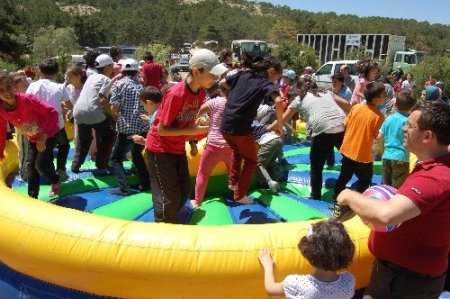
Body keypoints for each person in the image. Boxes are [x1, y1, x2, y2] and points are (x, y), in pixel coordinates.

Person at [337, 101, 450, 299]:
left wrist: (349, 195)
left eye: (410, 125)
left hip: (403, 281)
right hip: (407, 276)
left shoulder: (433, 178)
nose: (404, 128)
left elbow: (386, 215)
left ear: (427, 136)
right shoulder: (437, 166)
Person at [145, 49, 227, 223]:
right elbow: (162, 130)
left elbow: (188, 120)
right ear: (197, 71)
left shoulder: (201, 93)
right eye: (212, 74)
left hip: (177, 147)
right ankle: (164, 227)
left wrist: (193, 141)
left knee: (183, 190)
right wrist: (194, 133)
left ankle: (170, 221)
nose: (216, 78)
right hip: (160, 149)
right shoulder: (176, 93)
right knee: (169, 196)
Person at [220, 54, 284, 204]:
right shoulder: (264, 83)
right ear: (271, 71)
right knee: (251, 161)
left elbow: (223, 82)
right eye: (276, 78)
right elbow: (279, 101)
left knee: (237, 151)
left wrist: (239, 92)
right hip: (241, 128)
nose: (275, 81)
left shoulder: (242, 74)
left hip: (225, 126)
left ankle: (233, 181)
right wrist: (279, 125)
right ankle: (240, 195)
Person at [270, 77, 346, 200]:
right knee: (349, 160)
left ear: (299, 89)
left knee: (316, 167)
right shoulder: (327, 92)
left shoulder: (299, 98)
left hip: (322, 131)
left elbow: (283, 119)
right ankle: (358, 184)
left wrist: (267, 129)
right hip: (341, 127)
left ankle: (315, 195)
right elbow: (347, 104)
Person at [258, 220, 355, 298]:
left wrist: (268, 266)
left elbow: (271, 289)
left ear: (307, 252)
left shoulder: (297, 284)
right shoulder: (348, 280)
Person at [0, 73, 61, 198]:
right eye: (1, 90)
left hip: (48, 134)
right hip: (33, 138)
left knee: (40, 165)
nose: (7, 92)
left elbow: (52, 113)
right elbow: (1, 131)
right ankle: (32, 197)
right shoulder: (1, 110)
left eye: (8, 87)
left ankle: (55, 180)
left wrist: (44, 136)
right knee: (30, 167)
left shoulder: (27, 99)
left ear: (14, 86)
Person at [332, 82, 386, 217]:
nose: (385, 97)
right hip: (363, 154)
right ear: (376, 99)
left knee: (344, 175)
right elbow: (375, 135)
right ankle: (356, 203)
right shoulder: (378, 116)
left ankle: (336, 197)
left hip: (348, 149)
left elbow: (345, 124)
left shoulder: (356, 108)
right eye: (383, 95)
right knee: (365, 180)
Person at [109, 59, 151, 195]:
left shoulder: (119, 84)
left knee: (115, 159)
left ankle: (124, 188)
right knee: (138, 156)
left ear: (122, 71)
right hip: (142, 127)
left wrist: (116, 118)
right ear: (136, 71)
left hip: (126, 128)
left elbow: (114, 106)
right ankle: (145, 184)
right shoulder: (141, 86)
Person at [72, 54, 120, 174]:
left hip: (78, 111)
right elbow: (103, 100)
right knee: (110, 134)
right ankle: (101, 163)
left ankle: (76, 165)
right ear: (108, 67)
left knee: (84, 140)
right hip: (94, 112)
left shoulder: (90, 77)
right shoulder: (106, 80)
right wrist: (113, 116)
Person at [26, 58, 72, 182]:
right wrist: (64, 106)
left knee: (47, 150)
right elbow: (69, 104)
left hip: (38, 126)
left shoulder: (32, 86)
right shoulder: (59, 87)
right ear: (57, 72)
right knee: (64, 145)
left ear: (40, 72)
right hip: (56, 126)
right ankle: (61, 168)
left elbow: (27, 103)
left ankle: (51, 174)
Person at [192, 84, 233, 208]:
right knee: (234, 173)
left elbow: (196, 113)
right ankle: (239, 195)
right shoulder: (240, 103)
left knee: (203, 174)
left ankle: (197, 201)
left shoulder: (215, 101)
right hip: (230, 145)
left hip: (213, 144)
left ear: (221, 90)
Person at [378, 91, 416, 189]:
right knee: (398, 187)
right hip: (401, 157)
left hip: (387, 156)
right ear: (411, 108)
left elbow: (379, 137)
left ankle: (384, 201)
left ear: (395, 104)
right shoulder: (407, 122)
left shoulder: (389, 118)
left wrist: (382, 152)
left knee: (386, 185)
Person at [9, 71, 30, 181]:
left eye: (26, 82)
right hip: (22, 131)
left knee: (29, 152)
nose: (27, 84)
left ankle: (27, 171)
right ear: (16, 88)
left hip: (30, 130)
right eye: (24, 83)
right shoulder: (16, 99)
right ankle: (22, 174)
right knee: (24, 152)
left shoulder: (26, 96)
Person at [253, 120, 283, 193]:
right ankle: (276, 185)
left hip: (268, 142)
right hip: (278, 140)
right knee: (270, 165)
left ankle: (268, 183)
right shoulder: (256, 122)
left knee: (258, 164)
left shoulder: (246, 125)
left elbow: (255, 144)